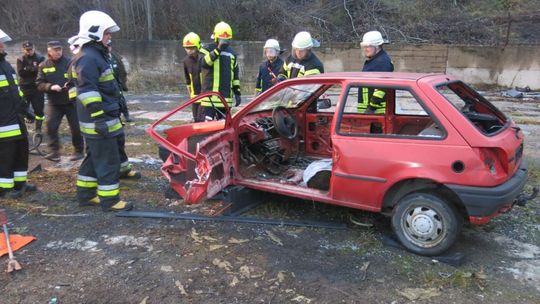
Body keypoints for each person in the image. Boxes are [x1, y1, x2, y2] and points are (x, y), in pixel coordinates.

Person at [71, 10, 133, 211]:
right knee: (108, 160)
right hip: (99, 121)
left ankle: (86, 195)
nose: (109, 37)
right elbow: (88, 92)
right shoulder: (89, 58)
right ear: (95, 34)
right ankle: (110, 200)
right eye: (107, 33)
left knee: (94, 158)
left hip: (105, 119)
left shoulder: (95, 55)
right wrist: (99, 120)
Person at [0, 29, 37, 198]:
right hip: (3, 123)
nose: (2, 46)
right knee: (5, 156)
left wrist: (26, 110)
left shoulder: (6, 65)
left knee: (21, 150)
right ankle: (4, 189)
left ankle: (20, 183)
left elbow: (17, 91)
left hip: (16, 118)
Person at [36, 41, 84, 162]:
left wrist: (71, 84)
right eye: (55, 50)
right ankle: (54, 152)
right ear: (49, 51)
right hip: (54, 102)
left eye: (60, 49)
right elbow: (39, 84)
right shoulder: (43, 65)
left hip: (70, 102)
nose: (58, 52)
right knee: (51, 126)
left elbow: (79, 78)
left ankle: (78, 151)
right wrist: (50, 87)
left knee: (76, 128)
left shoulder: (69, 62)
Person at [199, 21, 241, 120]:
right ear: (216, 37)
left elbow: (235, 75)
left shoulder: (232, 53)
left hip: (225, 99)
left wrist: (237, 92)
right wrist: (218, 50)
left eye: (227, 40)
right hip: (209, 98)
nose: (224, 42)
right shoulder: (206, 49)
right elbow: (204, 63)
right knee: (208, 127)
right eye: (222, 39)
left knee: (223, 127)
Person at [357, 30, 394, 114]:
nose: (365, 49)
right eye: (364, 46)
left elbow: (381, 87)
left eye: (368, 46)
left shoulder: (382, 62)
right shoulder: (375, 60)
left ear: (377, 46)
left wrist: (371, 108)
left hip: (376, 113)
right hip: (372, 112)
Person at [16, 41, 45, 133]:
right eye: (27, 50)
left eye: (30, 49)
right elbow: (21, 73)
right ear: (23, 49)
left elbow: (41, 72)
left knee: (39, 109)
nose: (29, 51)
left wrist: (28, 69)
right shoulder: (20, 59)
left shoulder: (40, 58)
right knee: (22, 108)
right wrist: (33, 69)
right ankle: (24, 127)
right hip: (25, 87)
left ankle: (38, 129)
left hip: (37, 87)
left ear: (34, 48)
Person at [107, 41, 131, 122]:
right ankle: (116, 117)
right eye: (107, 46)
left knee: (121, 100)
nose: (108, 48)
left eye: (109, 46)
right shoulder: (101, 58)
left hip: (117, 83)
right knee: (111, 101)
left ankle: (126, 115)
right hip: (107, 84)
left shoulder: (115, 57)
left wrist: (123, 83)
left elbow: (122, 71)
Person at [182, 32, 203, 122]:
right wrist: (190, 94)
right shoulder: (186, 61)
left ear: (197, 46)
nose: (189, 50)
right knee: (196, 118)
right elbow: (187, 80)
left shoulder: (204, 59)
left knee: (202, 118)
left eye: (191, 48)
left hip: (205, 95)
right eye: (187, 48)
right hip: (194, 96)